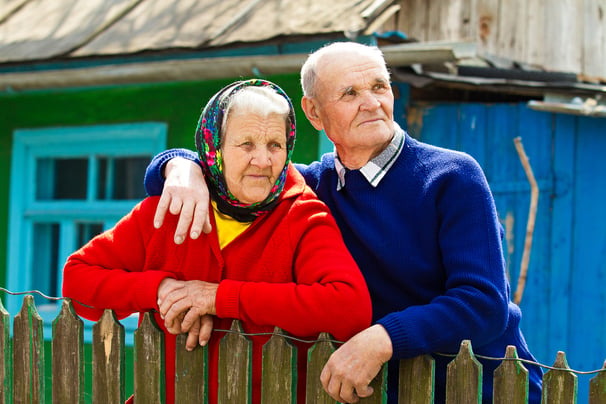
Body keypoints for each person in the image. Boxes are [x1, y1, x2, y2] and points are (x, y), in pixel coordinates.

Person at [143, 42, 543, 403]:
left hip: (484, 388)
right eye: (350, 93)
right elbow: (237, 173)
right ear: (314, 112)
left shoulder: (452, 176)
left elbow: (483, 303)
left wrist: (382, 338)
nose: (371, 103)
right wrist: (180, 168)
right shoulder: (313, 186)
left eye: (379, 87)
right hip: (386, 391)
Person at [62, 79, 372, 404]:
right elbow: (77, 282)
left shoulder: (303, 216)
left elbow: (350, 309)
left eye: (275, 145)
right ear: (215, 148)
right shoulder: (168, 208)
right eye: (247, 144)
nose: (263, 161)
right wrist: (161, 291)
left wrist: (219, 298)